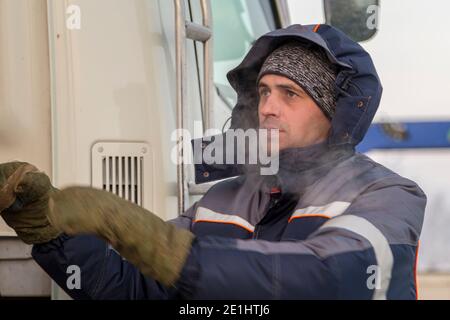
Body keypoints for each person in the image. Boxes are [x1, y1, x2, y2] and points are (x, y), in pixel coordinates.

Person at [0, 24, 426, 299]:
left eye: (289, 94)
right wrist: (49, 230)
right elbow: (134, 289)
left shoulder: (387, 195)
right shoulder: (222, 198)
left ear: (336, 111)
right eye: (263, 92)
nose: (267, 108)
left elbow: (328, 278)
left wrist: (168, 251)